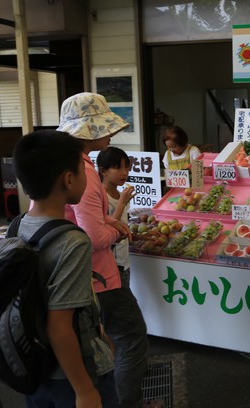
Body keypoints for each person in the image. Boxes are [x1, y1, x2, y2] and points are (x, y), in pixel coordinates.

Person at [57, 92, 150, 408]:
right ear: (89, 130)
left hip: (79, 272)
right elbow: (92, 234)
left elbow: (86, 216)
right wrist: (116, 230)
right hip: (97, 274)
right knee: (131, 338)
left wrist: (110, 219)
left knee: (100, 340)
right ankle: (127, 403)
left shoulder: (69, 162)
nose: (109, 132)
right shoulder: (79, 170)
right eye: (103, 125)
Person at [13, 129, 117, 407]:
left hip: (34, 365)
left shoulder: (17, 226)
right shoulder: (72, 241)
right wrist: (84, 390)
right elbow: (59, 327)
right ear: (68, 180)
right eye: (83, 171)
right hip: (71, 376)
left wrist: (97, 329)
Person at [97, 146, 136, 288]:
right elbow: (107, 229)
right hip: (110, 264)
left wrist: (140, 237)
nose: (124, 173)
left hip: (124, 261)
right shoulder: (100, 196)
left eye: (127, 167)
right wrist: (122, 203)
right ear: (103, 171)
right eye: (118, 168)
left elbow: (122, 227)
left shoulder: (121, 194)